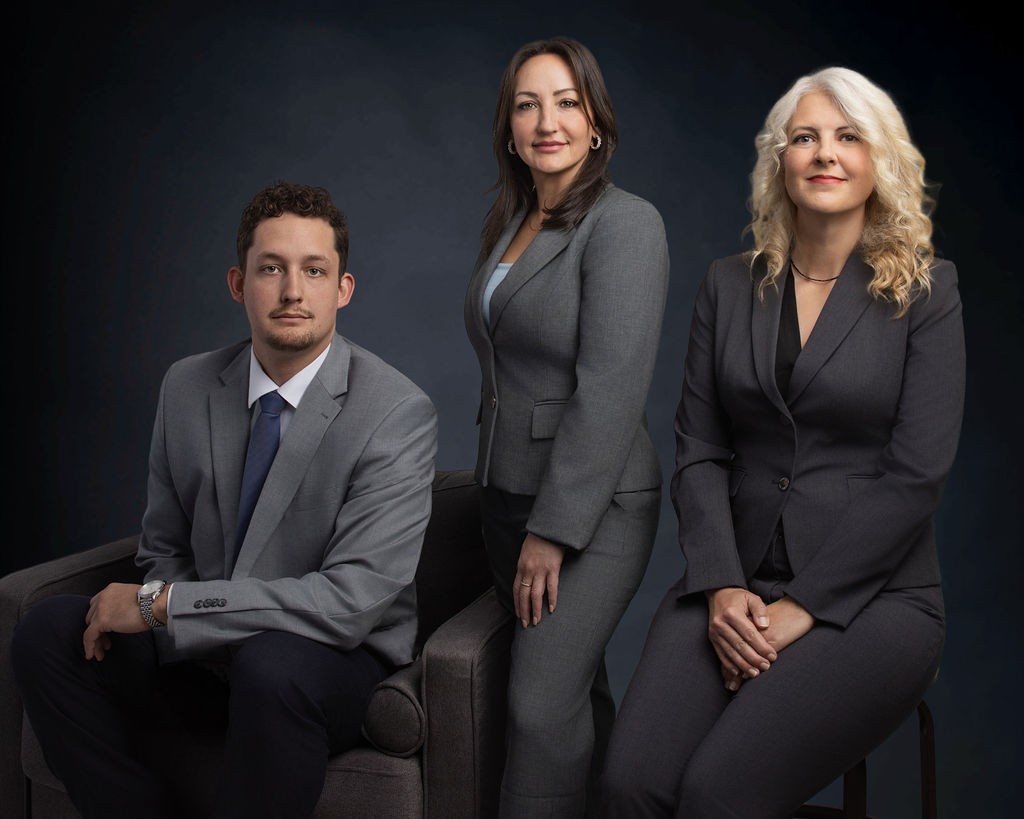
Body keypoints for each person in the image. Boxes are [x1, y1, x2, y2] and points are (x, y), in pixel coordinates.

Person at [599, 66, 966, 817]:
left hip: (873, 601)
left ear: (877, 160)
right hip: (732, 582)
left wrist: (805, 604)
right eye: (805, 137)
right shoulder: (728, 285)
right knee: (627, 786)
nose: (825, 153)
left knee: (718, 793)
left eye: (847, 137)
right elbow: (699, 447)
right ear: (779, 160)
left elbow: (915, 475)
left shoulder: (928, 292)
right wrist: (723, 582)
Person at [10, 181, 438, 818]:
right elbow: (163, 548)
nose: (293, 291)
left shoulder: (396, 412)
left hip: (329, 664)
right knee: (48, 629)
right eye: (272, 268)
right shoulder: (186, 386)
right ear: (239, 283)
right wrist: (178, 613)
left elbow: (349, 603)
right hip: (203, 654)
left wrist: (168, 606)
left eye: (314, 271)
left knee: (272, 665)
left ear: (342, 289)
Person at [463, 36, 670, 818]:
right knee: (575, 688)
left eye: (565, 102)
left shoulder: (626, 224)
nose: (545, 120)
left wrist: (553, 530)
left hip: (592, 506)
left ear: (595, 123)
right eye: (527, 104)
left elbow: (609, 388)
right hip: (505, 495)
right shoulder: (511, 225)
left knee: (540, 704)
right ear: (509, 128)